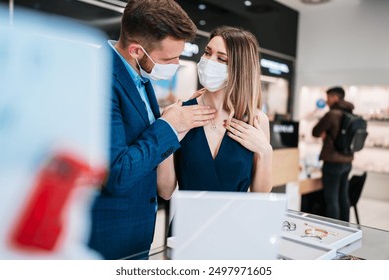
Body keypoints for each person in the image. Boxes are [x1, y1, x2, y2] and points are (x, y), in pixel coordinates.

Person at [88, 0, 216, 260]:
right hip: (108, 240)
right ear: (137, 50)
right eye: (169, 58)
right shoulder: (98, 79)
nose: (176, 63)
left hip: (137, 234)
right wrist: (169, 125)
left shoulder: (139, 78)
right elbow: (117, 173)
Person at [157, 26, 273, 203]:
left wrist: (265, 152)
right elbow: (165, 191)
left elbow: (260, 196)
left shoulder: (256, 121)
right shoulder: (179, 114)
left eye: (221, 58)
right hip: (187, 226)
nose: (209, 61)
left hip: (235, 226)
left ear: (240, 68)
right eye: (207, 53)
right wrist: (166, 135)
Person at [312, 86, 354, 222]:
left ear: (335, 97)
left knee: (331, 199)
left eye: (328, 97)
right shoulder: (350, 113)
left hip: (332, 162)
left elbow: (315, 132)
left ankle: (333, 231)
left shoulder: (332, 114)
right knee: (343, 196)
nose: (327, 100)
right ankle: (345, 228)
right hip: (347, 161)